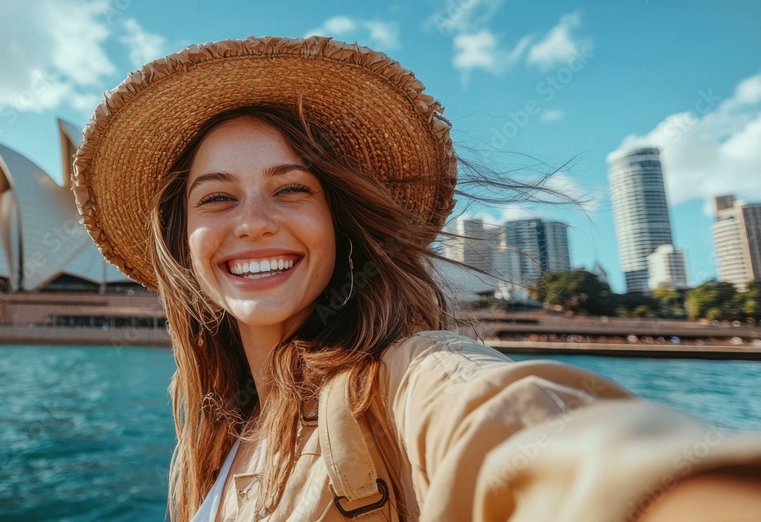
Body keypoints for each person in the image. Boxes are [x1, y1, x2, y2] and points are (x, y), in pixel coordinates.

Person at [72, 36, 761, 522]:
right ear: (181, 244)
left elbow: (515, 432)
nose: (252, 221)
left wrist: (672, 489)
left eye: (291, 190)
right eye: (216, 198)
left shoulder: (403, 382)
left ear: (339, 223)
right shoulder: (210, 436)